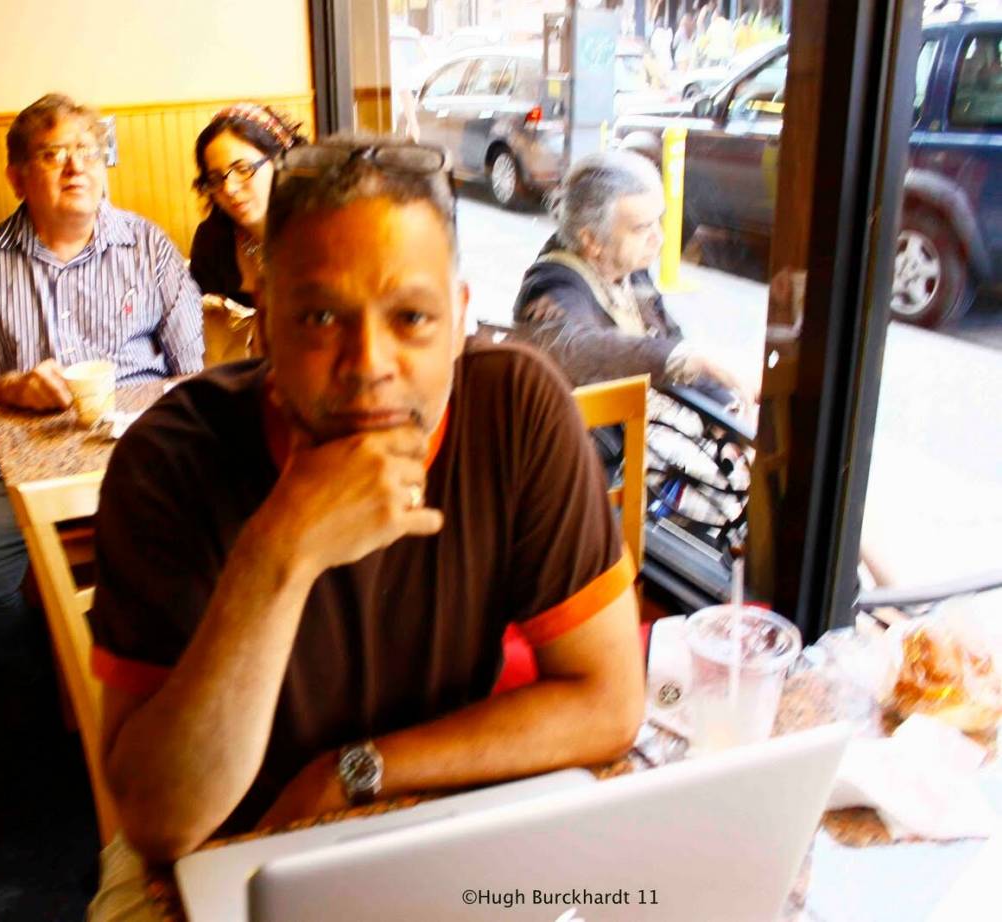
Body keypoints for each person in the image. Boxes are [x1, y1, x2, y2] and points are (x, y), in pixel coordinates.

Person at [85, 137, 645, 916]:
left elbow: (609, 702)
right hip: (223, 854)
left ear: (459, 319)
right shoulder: (167, 463)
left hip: (434, 817)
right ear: (266, 323)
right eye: (319, 316)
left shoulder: (516, 409)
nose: (368, 362)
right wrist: (279, 550)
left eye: (411, 316)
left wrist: (355, 770)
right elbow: (160, 821)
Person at [0, 94, 204, 677]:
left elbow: (192, 378)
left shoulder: (149, 248)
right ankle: (54, 668)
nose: (77, 166)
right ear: (18, 178)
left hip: (140, 455)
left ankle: (160, 674)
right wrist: (6, 389)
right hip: (16, 469)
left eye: (88, 150)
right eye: (54, 154)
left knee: (205, 556)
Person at [512, 149, 752, 405]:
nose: (659, 238)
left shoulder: (629, 268)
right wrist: (686, 357)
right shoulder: (552, 284)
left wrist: (726, 407)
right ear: (591, 240)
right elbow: (574, 346)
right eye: (642, 228)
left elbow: (668, 338)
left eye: (657, 221)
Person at [189, 103, 306, 307]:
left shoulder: (322, 233)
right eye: (216, 179)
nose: (229, 189)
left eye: (243, 169)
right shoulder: (213, 240)